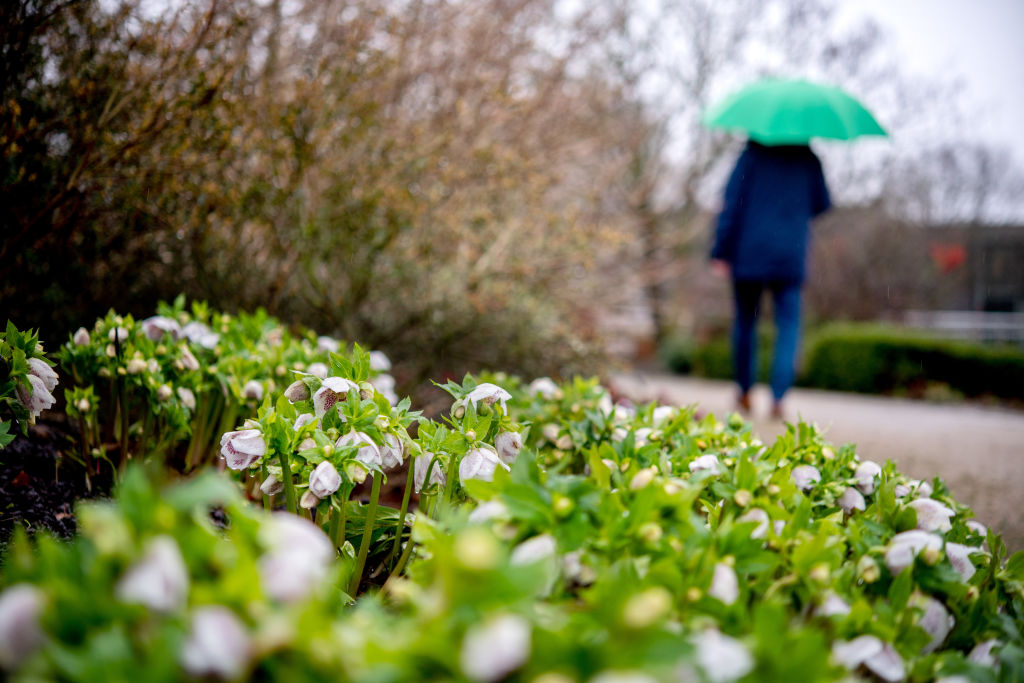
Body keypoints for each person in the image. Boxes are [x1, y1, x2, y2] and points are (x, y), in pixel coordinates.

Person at [710, 139, 831, 419]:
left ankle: (744, 393)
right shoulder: (808, 158)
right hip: (790, 253)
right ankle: (778, 398)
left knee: (745, 323)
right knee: (788, 327)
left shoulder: (751, 154)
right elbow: (822, 203)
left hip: (748, 252)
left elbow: (731, 202)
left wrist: (720, 250)